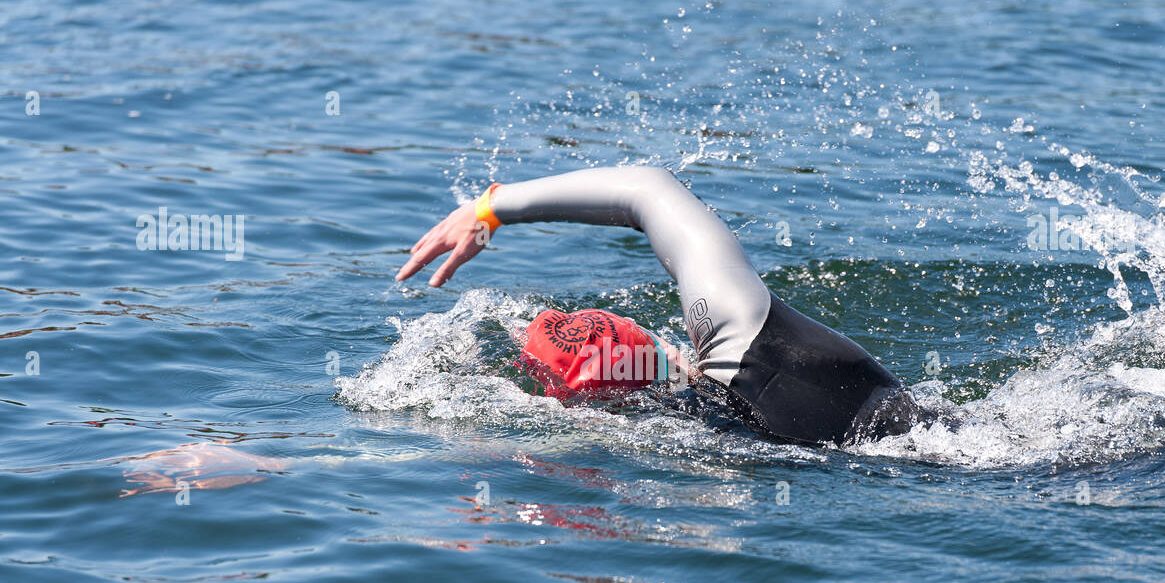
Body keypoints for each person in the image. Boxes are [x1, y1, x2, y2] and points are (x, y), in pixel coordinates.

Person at [396, 165, 931, 445]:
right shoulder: (736, 326)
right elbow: (648, 188)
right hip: (986, 442)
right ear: (645, 340)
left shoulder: (693, 446)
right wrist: (491, 208)